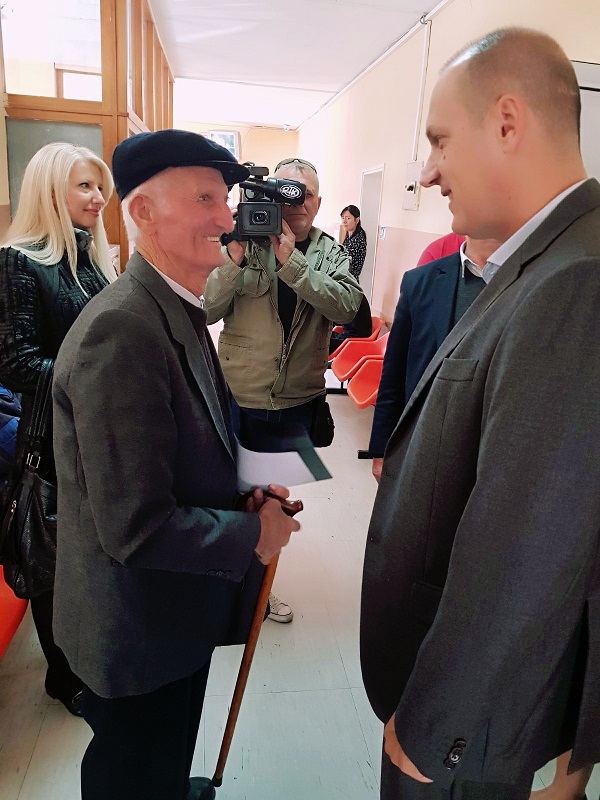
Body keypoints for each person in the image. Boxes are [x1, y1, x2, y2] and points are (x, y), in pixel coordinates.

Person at [360, 27, 600, 800]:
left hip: (474, 722)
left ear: (506, 122)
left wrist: (439, 728)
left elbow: (528, 547)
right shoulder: (538, 262)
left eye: (439, 141)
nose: (428, 171)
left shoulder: (575, 281)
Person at [51, 129, 299, 800]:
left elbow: (180, 450)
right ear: (142, 213)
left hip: (170, 614)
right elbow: (135, 527)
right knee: (135, 773)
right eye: (204, 199)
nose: (225, 219)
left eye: (225, 200)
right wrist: (253, 535)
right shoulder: (122, 330)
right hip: (136, 630)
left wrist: (242, 499)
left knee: (161, 763)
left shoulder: (173, 308)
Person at [205, 156, 362, 623]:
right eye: (283, 192)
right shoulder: (242, 243)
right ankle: (223, 587)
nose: (294, 202)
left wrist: (291, 260)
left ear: (319, 203)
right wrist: (232, 259)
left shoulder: (330, 252)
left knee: (273, 502)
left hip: (297, 402)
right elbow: (205, 309)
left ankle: (260, 590)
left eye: (305, 194)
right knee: (227, 498)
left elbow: (348, 309)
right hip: (238, 397)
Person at [0, 141, 116, 716]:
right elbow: (15, 361)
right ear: (51, 191)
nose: (98, 199)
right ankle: (63, 677)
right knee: (53, 566)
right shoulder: (19, 261)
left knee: (90, 557)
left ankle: (90, 656)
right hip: (52, 440)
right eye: (85, 187)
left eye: (100, 187)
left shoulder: (88, 256)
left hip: (96, 432)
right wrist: (97, 374)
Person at [368, 237, 501, 481]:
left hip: (497, 460)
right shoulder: (420, 281)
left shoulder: (540, 281)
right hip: (425, 447)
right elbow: (394, 376)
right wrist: (381, 449)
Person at [341, 204, 367, 280]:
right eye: (343, 218)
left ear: (357, 220)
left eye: (348, 218)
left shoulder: (358, 239)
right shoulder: (349, 235)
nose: (344, 221)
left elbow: (345, 262)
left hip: (350, 280)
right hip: (346, 278)